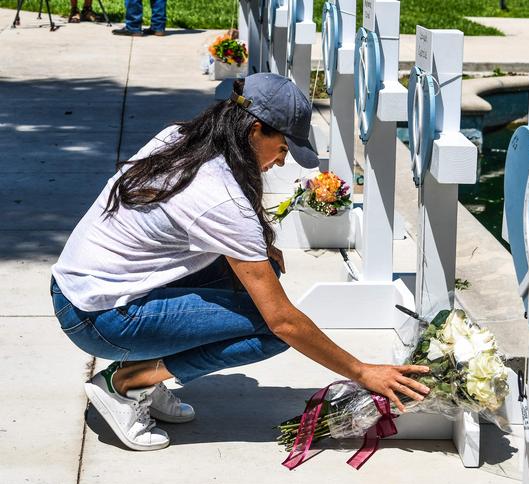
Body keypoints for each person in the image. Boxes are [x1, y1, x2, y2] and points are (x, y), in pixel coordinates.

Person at [50, 73, 430, 451]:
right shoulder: (220, 199)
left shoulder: (182, 137)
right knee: (270, 329)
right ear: (255, 130)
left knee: (263, 274)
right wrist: (362, 371)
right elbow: (283, 321)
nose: (281, 163)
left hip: (79, 290)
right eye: (282, 148)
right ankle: (128, 382)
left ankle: (145, 372)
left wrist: (260, 245)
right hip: (100, 318)